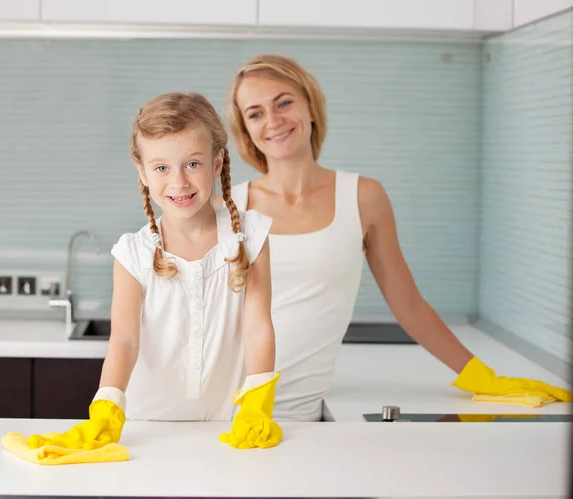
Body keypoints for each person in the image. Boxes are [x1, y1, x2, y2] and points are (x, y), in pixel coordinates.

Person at [218, 53, 572, 422]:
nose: (273, 121)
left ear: (310, 105)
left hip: (298, 407)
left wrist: (483, 378)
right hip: (221, 399)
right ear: (245, 129)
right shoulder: (229, 207)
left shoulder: (362, 197)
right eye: (255, 113)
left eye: (284, 102)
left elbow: (408, 305)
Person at [24, 92, 283, 452]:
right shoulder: (133, 254)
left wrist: (257, 404)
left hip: (230, 429)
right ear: (143, 172)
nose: (179, 182)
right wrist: (106, 409)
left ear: (218, 161)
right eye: (162, 168)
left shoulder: (250, 238)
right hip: (150, 432)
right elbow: (125, 342)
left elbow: (258, 328)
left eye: (192, 164)